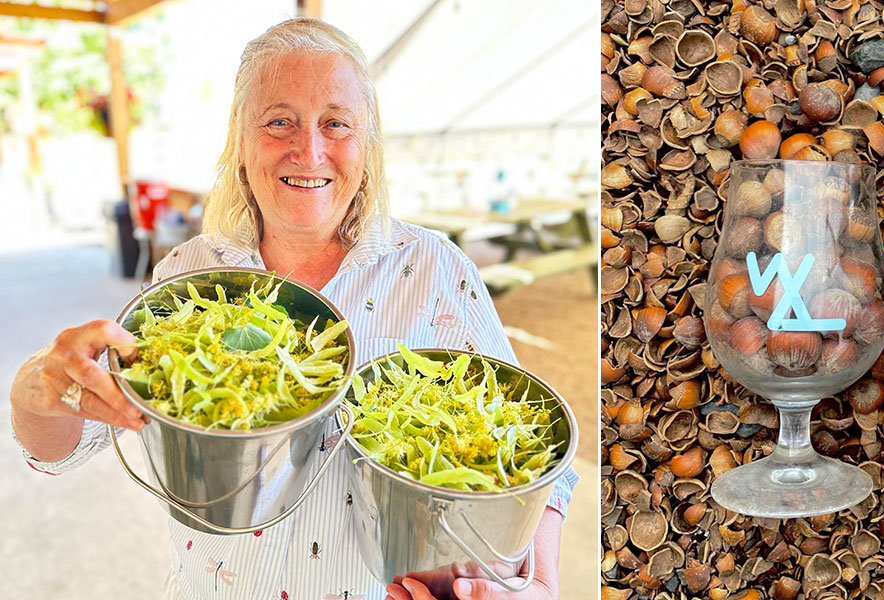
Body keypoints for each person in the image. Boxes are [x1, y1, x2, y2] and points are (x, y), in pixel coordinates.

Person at [7, 18, 576, 600]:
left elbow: (542, 467)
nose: (310, 150)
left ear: (366, 145)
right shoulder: (186, 276)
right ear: (242, 143)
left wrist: (542, 584)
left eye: (336, 123)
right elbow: (65, 447)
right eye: (279, 122)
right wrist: (35, 388)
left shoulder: (434, 269)